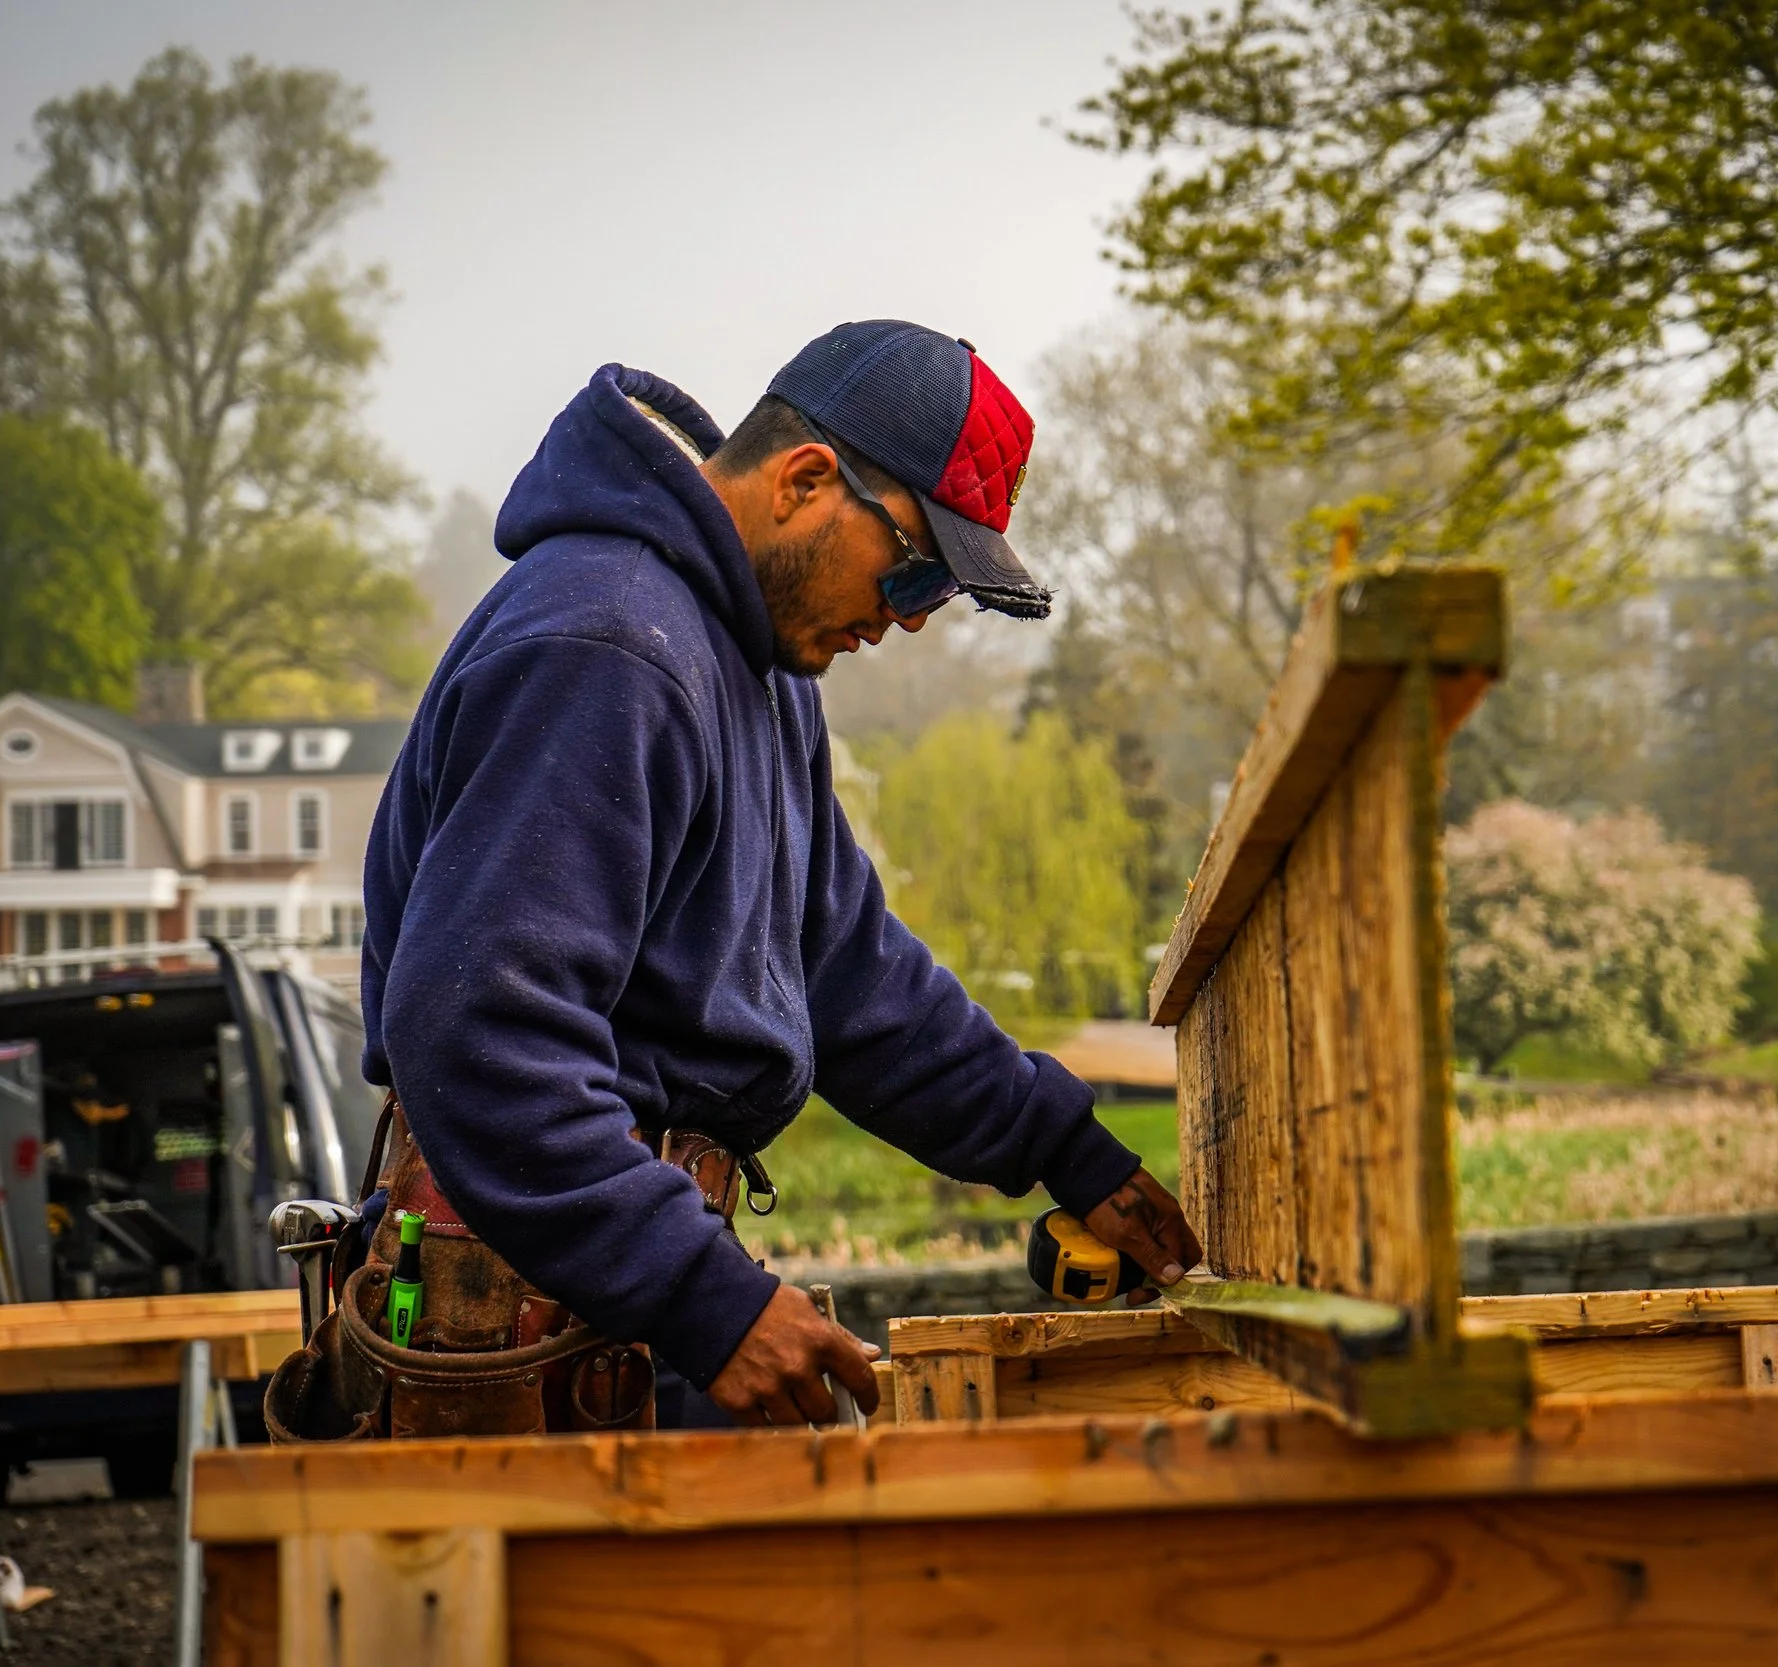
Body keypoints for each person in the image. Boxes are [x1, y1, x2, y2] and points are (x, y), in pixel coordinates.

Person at [361, 320, 1202, 1427]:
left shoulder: (752, 668)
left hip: (604, 1281)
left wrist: (1063, 1144)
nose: (903, 622)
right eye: (911, 571)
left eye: (936, 598)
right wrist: (700, 1296)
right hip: (534, 1306)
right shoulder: (606, 645)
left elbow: (847, 973)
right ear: (806, 479)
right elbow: (480, 1032)